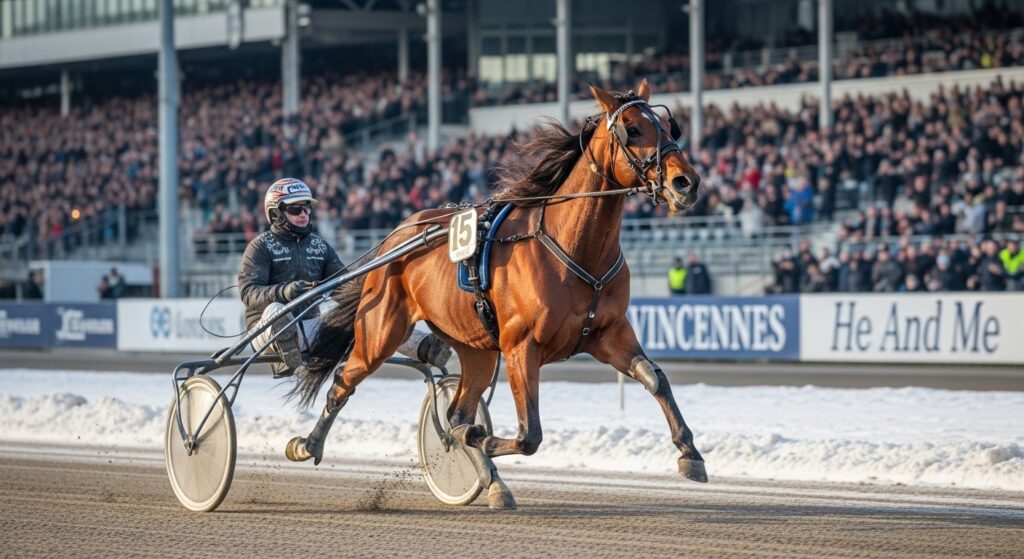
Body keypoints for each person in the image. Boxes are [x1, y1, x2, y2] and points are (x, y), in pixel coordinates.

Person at [238, 178, 451, 378]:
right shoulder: (260, 246)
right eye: (296, 209)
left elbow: (345, 286)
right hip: (264, 330)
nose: (304, 214)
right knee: (277, 310)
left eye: (307, 207)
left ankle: (423, 346)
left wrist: (371, 273)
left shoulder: (319, 246)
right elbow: (248, 292)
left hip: (310, 327)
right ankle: (287, 353)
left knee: (369, 314)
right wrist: (285, 292)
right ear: (276, 213)